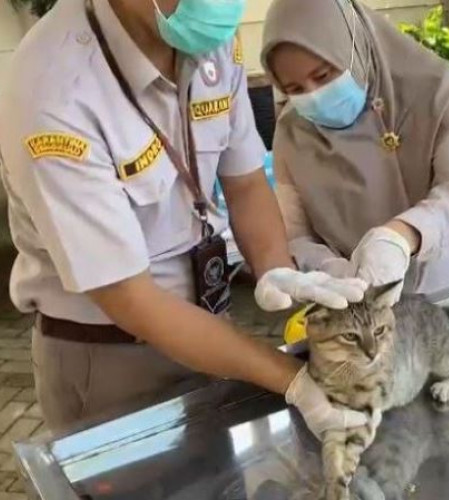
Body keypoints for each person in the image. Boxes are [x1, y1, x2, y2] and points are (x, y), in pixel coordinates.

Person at [0, 0, 370, 436]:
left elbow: (246, 182)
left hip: (213, 329)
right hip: (111, 355)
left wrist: (275, 267)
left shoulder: (206, 37)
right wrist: (292, 380)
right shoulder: (54, 93)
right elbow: (132, 300)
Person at [260, 0, 449, 304]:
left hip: (446, 293)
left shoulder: (436, 94)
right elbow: (294, 231)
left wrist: (400, 236)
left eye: (324, 75)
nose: (314, 96)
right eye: (294, 88)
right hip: (356, 308)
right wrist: (328, 268)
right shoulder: (294, 131)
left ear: (354, 48)